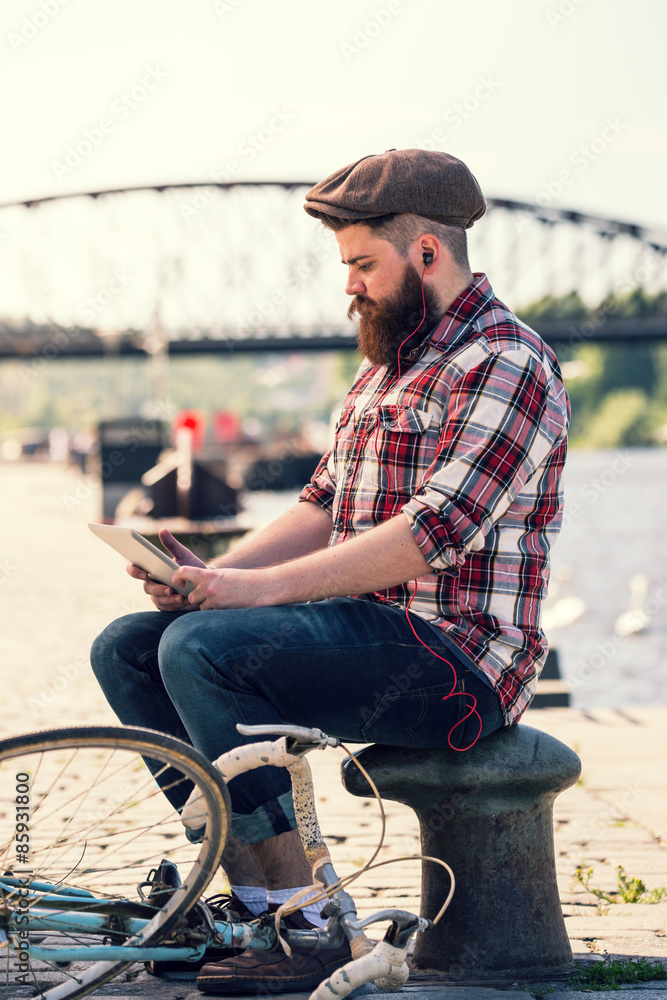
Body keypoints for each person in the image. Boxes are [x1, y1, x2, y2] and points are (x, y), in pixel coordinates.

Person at [90, 148, 570, 995]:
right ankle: (258, 897)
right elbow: (320, 503)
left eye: (361, 265)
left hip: (455, 661)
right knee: (132, 644)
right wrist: (210, 577)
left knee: (203, 650)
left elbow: (434, 532)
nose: (346, 285)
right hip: (367, 636)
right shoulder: (386, 364)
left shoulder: (505, 361)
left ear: (426, 253)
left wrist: (243, 598)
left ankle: (308, 927)